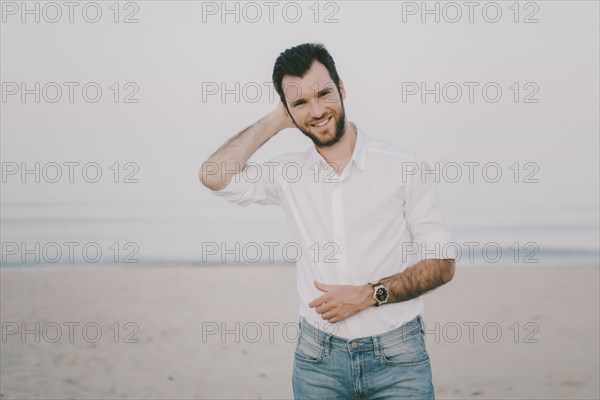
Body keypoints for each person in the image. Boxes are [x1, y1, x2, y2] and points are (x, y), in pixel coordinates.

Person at [200, 43, 457, 399]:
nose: (317, 110)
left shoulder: (402, 166)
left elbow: (441, 264)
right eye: (301, 103)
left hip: (398, 355)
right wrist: (276, 119)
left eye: (324, 93)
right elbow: (214, 175)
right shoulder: (288, 174)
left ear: (342, 88)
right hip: (317, 359)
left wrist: (370, 295)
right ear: (288, 110)